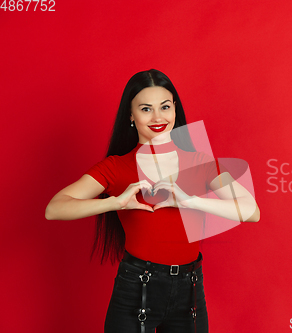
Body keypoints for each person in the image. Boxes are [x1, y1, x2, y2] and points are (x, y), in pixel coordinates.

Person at [45, 69, 260, 333]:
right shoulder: (116, 167)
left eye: (165, 107)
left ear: (175, 110)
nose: (158, 117)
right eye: (146, 109)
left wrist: (189, 201)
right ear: (131, 116)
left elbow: (251, 211)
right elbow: (54, 208)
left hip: (190, 290)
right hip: (136, 288)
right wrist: (115, 203)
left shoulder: (200, 162)